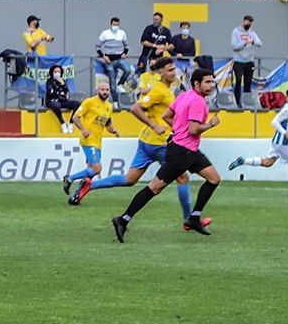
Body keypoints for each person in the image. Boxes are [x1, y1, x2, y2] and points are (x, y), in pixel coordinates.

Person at [79, 56, 195, 224]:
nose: (174, 72)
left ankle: (90, 185)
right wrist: (154, 125)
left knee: (130, 179)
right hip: (159, 143)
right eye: (170, 70)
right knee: (182, 178)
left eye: (174, 69)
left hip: (146, 141)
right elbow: (136, 108)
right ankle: (188, 220)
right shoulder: (159, 90)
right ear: (161, 73)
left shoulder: (165, 88)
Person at [112, 67, 223, 241]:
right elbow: (194, 129)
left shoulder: (183, 96)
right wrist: (211, 124)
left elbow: (166, 116)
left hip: (188, 150)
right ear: (196, 83)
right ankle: (123, 219)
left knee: (214, 178)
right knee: (154, 188)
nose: (211, 85)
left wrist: (179, 129)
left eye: (212, 81)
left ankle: (194, 218)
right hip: (182, 153)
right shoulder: (198, 102)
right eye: (207, 82)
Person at [229, 91, 288, 197]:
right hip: (283, 143)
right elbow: (274, 122)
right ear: (287, 98)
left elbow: (285, 122)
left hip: (277, 142)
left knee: (268, 162)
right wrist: (285, 132)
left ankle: (243, 161)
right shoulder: (287, 110)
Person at [63, 78, 114, 205]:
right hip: (88, 140)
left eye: (107, 90)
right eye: (102, 89)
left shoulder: (109, 106)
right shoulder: (89, 102)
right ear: (97, 90)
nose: (105, 92)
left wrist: (113, 130)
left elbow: (107, 122)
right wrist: (83, 129)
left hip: (98, 142)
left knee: (89, 174)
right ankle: (70, 178)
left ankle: (76, 197)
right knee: (97, 169)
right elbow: (75, 117)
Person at [96, 17, 133, 99]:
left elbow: (126, 45)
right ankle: (115, 101)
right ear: (110, 24)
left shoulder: (122, 33)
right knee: (112, 83)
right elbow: (97, 47)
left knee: (128, 70)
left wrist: (125, 53)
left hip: (120, 58)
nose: (115, 26)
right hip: (109, 61)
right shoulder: (105, 33)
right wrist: (103, 56)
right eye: (114, 24)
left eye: (117, 25)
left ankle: (120, 84)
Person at [230, 15, 263, 95]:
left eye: (250, 22)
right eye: (247, 21)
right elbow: (234, 47)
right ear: (243, 21)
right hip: (238, 61)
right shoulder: (236, 31)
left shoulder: (252, 33)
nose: (248, 24)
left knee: (248, 83)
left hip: (249, 61)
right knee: (238, 82)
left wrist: (252, 42)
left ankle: (247, 102)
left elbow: (260, 43)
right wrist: (245, 42)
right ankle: (238, 103)